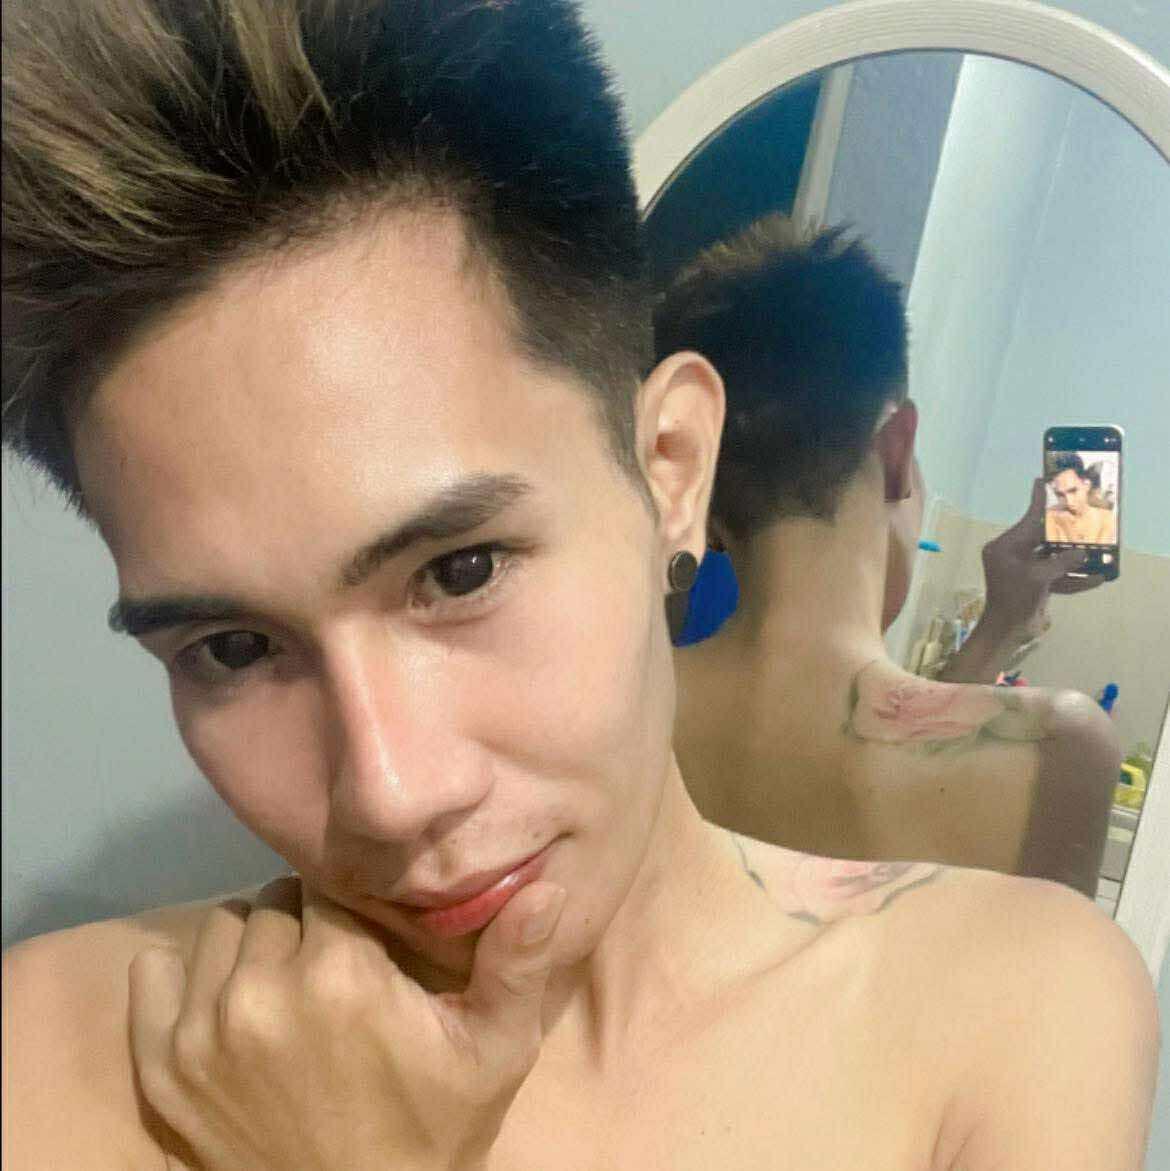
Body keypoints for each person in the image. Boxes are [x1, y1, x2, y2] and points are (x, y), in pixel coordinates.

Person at [1, 4, 1157, 1169]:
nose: (390, 795)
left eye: (458, 571)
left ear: (672, 471)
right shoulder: (55, 1050)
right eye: (233, 648)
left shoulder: (1013, 1010)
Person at [659, 214, 1122, 896]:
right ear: (898, 448)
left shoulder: (629, 701)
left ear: (698, 489)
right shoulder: (1058, 747)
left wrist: (998, 627)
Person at [1046, 453, 1119, 544]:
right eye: (1060, 495)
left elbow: (1099, 552)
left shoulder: (1107, 518)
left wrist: (1068, 530)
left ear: (1086, 485)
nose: (1069, 502)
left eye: (1073, 491)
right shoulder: (1050, 517)